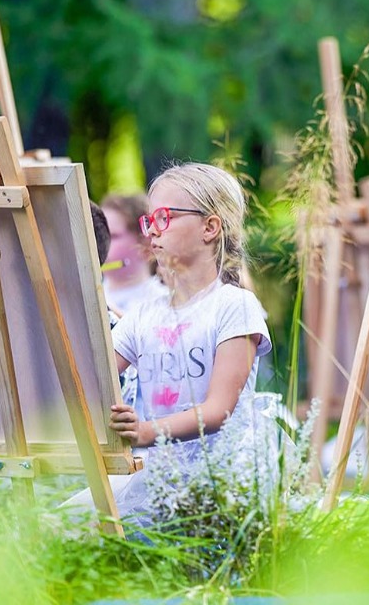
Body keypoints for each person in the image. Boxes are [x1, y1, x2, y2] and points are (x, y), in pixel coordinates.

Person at [104, 163, 274, 523]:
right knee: (68, 524)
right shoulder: (143, 315)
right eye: (149, 220)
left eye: (164, 217)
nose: (152, 230)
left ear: (210, 228)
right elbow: (93, 376)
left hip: (222, 484)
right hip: (162, 481)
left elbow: (217, 411)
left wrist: (144, 431)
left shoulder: (234, 306)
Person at [100, 194, 169, 314]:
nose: (100, 243)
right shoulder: (84, 295)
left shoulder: (164, 302)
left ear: (145, 242)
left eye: (113, 236)